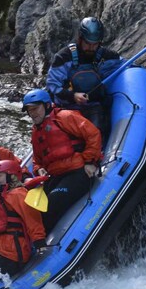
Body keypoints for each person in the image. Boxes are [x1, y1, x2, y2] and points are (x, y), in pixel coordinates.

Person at [22, 88, 102, 232]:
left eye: (36, 108)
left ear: (46, 105)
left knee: (52, 203)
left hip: (78, 172)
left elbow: (93, 134)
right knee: (30, 209)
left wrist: (90, 162)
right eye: (30, 110)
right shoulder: (36, 131)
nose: (33, 113)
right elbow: (37, 159)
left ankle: (43, 243)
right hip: (56, 176)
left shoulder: (64, 117)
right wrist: (38, 168)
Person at [46, 16, 121, 136]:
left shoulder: (106, 56)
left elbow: (122, 64)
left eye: (95, 44)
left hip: (94, 108)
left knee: (96, 133)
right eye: (88, 43)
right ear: (80, 38)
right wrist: (73, 96)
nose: (91, 48)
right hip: (68, 108)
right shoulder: (63, 57)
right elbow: (52, 86)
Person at [0, 159, 46, 277]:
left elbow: (32, 219)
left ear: (11, 176)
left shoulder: (18, 194)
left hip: (12, 254)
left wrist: (39, 242)